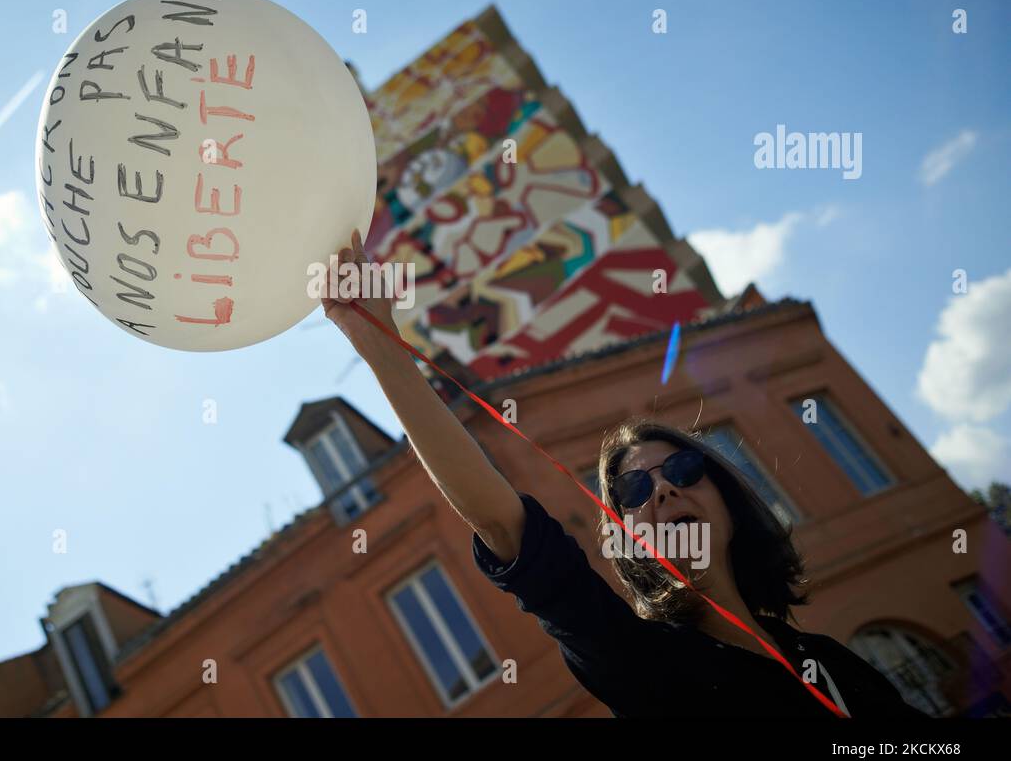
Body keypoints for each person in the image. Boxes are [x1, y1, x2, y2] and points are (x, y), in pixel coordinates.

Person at [322, 229, 929, 718]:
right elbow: (504, 523)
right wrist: (380, 344)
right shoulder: (641, 660)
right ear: (629, 537)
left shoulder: (827, 661)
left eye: (685, 469)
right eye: (636, 490)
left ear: (725, 493)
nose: (664, 488)